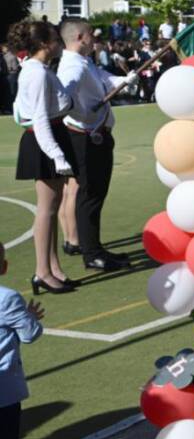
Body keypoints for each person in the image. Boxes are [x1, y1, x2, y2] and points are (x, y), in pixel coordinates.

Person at [56, 19, 135, 272]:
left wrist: (124, 80)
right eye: (91, 34)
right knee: (90, 196)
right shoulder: (72, 66)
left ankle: (95, 248)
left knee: (94, 195)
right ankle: (91, 254)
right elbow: (62, 98)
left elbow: (102, 79)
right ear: (80, 37)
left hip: (94, 134)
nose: (94, 39)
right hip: (87, 137)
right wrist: (80, 111)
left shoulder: (83, 62)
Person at [12, 21, 78, 294]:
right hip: (45, 139)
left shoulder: (38, 68)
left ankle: (53, 268)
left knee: (52, 207)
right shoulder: (36, 72)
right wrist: (56, 154)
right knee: (46, 209)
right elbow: (38, 118)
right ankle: (42, 272)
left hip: (52, 134)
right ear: (43, 44)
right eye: (55, 39)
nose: (59, 44)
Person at [0, 243, 45, 439]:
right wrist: (29, 317)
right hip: (4, 393)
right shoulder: (7, 298)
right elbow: (30, 334)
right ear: (4, 267)